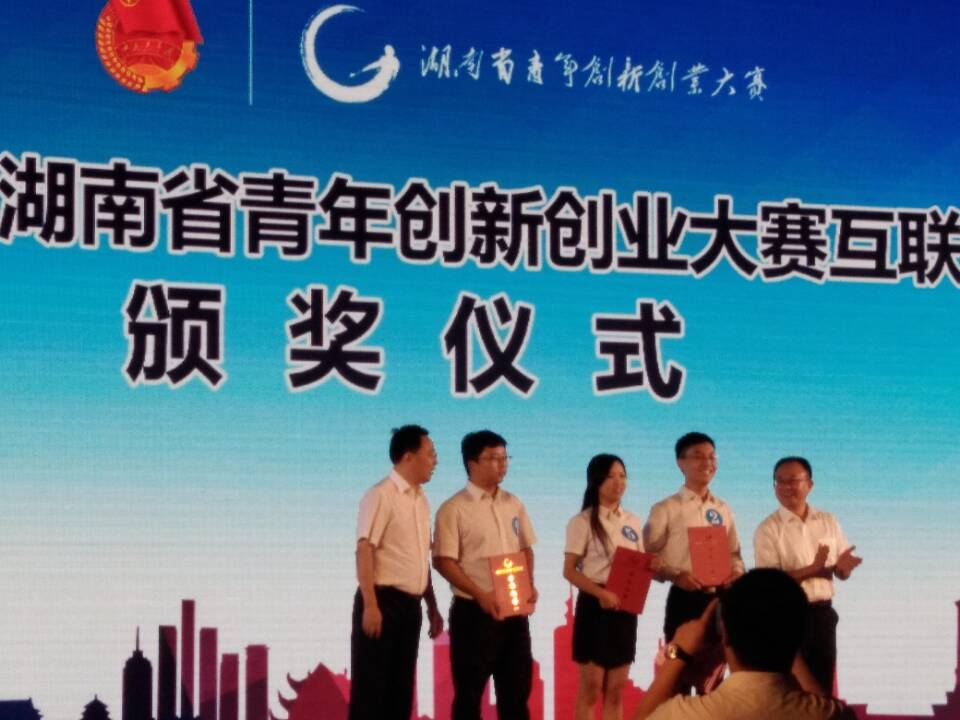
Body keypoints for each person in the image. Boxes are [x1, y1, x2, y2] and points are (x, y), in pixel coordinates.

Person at [633, 569, 857, 720]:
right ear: (799, 637)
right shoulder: (831, 714)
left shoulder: (685, 714)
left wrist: (679, 651)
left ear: (725, 635)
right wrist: (785, 634)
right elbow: (826, 706)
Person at [433, 430, 538, 720]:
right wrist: (480, 595)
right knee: (469, 695)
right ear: (472, 463)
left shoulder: (514, 503)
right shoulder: (453, 508)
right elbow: (443, 561)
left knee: (516, 694)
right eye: (493, 458)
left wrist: (529, 583)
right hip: (474, 613)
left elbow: (525, 548)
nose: (502, 464)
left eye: (505, 457)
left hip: (514, 611)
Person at [348, 425, 444, 720]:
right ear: (408, 456)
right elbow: (365, 549)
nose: (435, 460)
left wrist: (432, 606)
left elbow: (418, 558)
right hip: (381, 602)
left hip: (410, 607)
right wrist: (371, 604)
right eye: (430, 453)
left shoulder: (422, 500)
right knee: (371, 694)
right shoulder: (381, 494)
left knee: (400, 694)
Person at [642, 431, 744, 694]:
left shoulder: (723, 509)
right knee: (678, 677)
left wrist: (737, 572)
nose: (707, 462)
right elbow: (646, 557)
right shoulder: (665, 508)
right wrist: (675, 575)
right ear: (680, 462)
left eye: (712, 457)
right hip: (684, 599)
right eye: (698, 456)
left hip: (719, 600)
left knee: (713, 683)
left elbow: (735, 553)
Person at [563, 454, 662, 720]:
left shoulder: (632, 520)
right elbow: (569, 571)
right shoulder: (582, 521)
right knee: (591, 688)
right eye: (610, 476)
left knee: (617, 690)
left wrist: (652, 564)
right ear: (596, 481)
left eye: (622, 476)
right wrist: (600, 593)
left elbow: (638, 563)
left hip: (625, 607)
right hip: (595, 605)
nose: (618, 482)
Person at [754, 456, 863, 694]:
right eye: (780, 481)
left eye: (793, 481)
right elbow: (769, 584)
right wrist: (812, 569)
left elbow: (840, 571)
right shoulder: (768, 529)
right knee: (789, 691)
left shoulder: (828, 520)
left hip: (823, 615)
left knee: (821, 689)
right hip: (786, 618)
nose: (786, 487)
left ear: (809, 485)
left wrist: (843, 569)